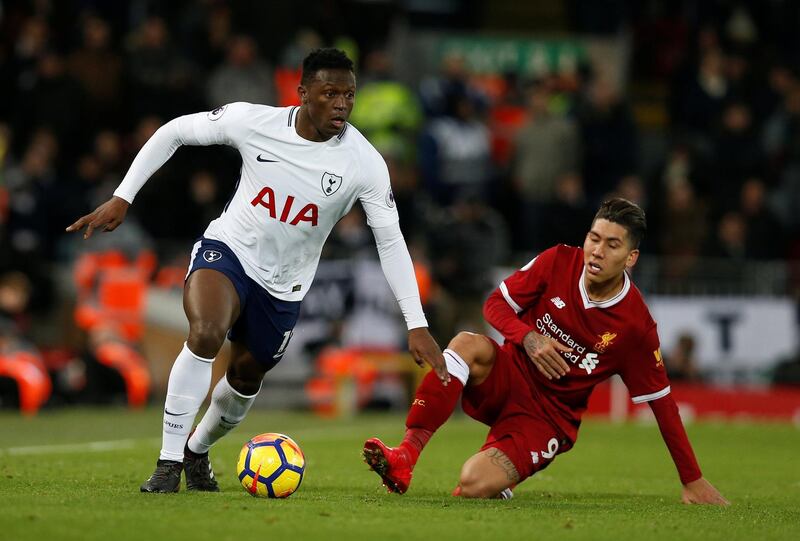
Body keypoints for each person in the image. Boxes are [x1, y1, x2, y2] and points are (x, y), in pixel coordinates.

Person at [66, 48, 447, 493]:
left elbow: (391, 240)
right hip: (229, 251)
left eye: (349, 94)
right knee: (206, 332)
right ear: (303, 94)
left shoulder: (364, 163)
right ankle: (168, 463)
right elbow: (174, 132)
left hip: (285, 285)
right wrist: (124, 195)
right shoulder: (253, 122)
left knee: (246, 378)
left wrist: (416, 323)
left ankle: (197, 450)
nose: (342, 103)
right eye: (330, 93)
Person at [363, 198, 729, 505]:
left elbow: (661, 403)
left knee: (473, 483)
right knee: (465, 343)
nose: (597, 251)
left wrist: (692, 479)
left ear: (630, 258)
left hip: (546, 419)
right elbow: (496, 305)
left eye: (612, 245)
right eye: (593, 238)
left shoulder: (635, 326)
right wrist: (528, 338)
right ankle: (406, 455)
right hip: (507, 373)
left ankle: (503, 472)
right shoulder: (558, 261)